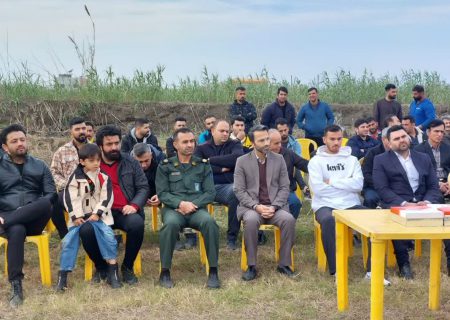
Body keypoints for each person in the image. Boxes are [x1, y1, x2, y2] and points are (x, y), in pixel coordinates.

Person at [78, 125, 149, 285]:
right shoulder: (89, 165)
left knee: (136, 224)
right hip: (100, 214)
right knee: (86, 230)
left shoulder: (130, 161)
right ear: (100, 146)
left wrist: (135, 205)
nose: (114, 147)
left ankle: (127, 267)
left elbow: (143, 187)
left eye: (117, 143)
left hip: (124, 211)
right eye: (109, 144)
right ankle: (102, 267)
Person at [373, 125, 444, 279]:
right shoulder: (381, 160)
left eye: (403, 136)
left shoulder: (423, 157)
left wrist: (426, 201)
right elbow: (382, 188)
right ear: (389, 143)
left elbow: (433, 186)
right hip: (398, 204)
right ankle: (404, 265)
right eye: (396, 139)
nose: (402, 140)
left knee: (447, 221)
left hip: (423, 203)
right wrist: (404, 204)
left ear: (409, 137)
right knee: (396, 223)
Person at [0, 124, 56, 307]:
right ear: (5, 147)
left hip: (34, 217)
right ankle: (16, 287)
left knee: (46, 202)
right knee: (16, 230)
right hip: (6, 215)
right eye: (14, 141)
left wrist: (27, 209)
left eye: (22, 139)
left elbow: (50, 194)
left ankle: (9, 222)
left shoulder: (40, 165)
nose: (20, 144)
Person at [156, 127, 220, 289]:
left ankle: (213, 270)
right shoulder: (165, 166)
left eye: (192, 141)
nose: (190, 145)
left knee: (210, 223)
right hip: (173, 210)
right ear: (175, 144)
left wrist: (193, 205)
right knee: (169, 226)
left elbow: (210, 193)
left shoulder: (203, 165)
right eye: (185, 142)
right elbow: (162, 193)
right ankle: (165, 271)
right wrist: (180, 204)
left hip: (196, 209)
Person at [234, 125, 296, 281]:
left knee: (288, 220)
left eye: (267, 138)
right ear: (253, 143)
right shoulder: (242, 161)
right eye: (262, 140)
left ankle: (284, 264)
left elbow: (284, 187)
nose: (267, 143)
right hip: (252, 207)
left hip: (275, 207)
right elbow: (239, 190)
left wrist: (274, 206)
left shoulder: (279, 159)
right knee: (251, 220)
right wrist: (257, 206)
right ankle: (252, 265)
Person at [57, 144, 121, 292]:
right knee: (68, 242)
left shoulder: (104, 177)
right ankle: (63, 276)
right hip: (79, 217)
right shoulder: (74, 178)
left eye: (98, 160)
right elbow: (70, 198)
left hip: (100, 216)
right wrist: (76, 216)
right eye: (92, 161)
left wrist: (97, 213)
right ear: (82, 161)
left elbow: (106, 198)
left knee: (109, 237)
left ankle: (113, 272)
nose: (96, 164)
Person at [308, 125, 364, 276]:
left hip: (351, 204)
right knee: (328, 221)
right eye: (332, 139)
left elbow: (358, 185)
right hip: (325, 205)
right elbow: (318, 189)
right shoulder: (315, 162)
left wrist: (331, 181)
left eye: (339, 139)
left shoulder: (352, 160)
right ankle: (336, 270)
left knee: (372, 218)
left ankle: (372, 270)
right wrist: (347, 183)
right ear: (324, 139)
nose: (336, 142)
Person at [195, 120, 243, 250]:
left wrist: (210, 161)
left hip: (228, 186)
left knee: (236, 192)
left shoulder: (234, 144)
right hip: (208, 187)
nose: (225, 134)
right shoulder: (201, 148)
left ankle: (232, 238)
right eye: (221, 131)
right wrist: (222, 168)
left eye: (227, 131)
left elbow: (238, 158)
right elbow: (198, 166)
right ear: (212, 131)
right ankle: (193, 236)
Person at [50, 117, 89, 239]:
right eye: (77, 129)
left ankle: (98, 230)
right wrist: (68, 184)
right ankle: (64, 233)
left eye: (83, 128)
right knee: (53, 201)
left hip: (91, 189)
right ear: (71, 132)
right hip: (68, 190)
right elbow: (54, 172)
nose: (81, 131)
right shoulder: (62, 151)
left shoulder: (95, 148)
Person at [268, 129, 308, 219]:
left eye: (280, 142)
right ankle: (259, 232)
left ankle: (287, 228)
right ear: (268, 143)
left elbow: (304, 165)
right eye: (276, 143)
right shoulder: (261, 155)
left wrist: (318, 161)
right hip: (265, 192)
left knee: (295, 203)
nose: (279, 145)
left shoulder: (288, 153)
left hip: (286, 190)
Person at [414, 119, 450, 197]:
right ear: (428, 132)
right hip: (430, 184)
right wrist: (438, 184)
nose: (440, 134)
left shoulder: (448, 148)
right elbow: (420, 173)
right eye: (436, 131)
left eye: (442, 132)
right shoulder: (418, 150)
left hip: (447, 181)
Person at [362, 128, 390, 208]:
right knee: (371, 199)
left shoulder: (398, 152)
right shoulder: (373, 153)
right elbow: (366, 174)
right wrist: (381, 185)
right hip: (373, 186)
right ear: (384, 139)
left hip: (393, 187)